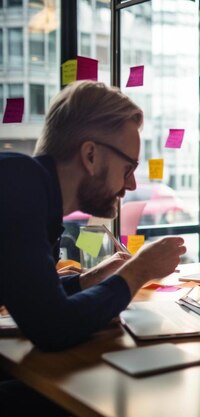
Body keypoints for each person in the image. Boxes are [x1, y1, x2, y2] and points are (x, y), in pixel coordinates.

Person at [1, 81, 186, 414]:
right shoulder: (18, 183)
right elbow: (53, 327)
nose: (131, 184)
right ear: (90, 155)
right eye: (129, 167)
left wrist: (92, 278)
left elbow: (34, 297)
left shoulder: (30, 188)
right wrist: (139, 270)